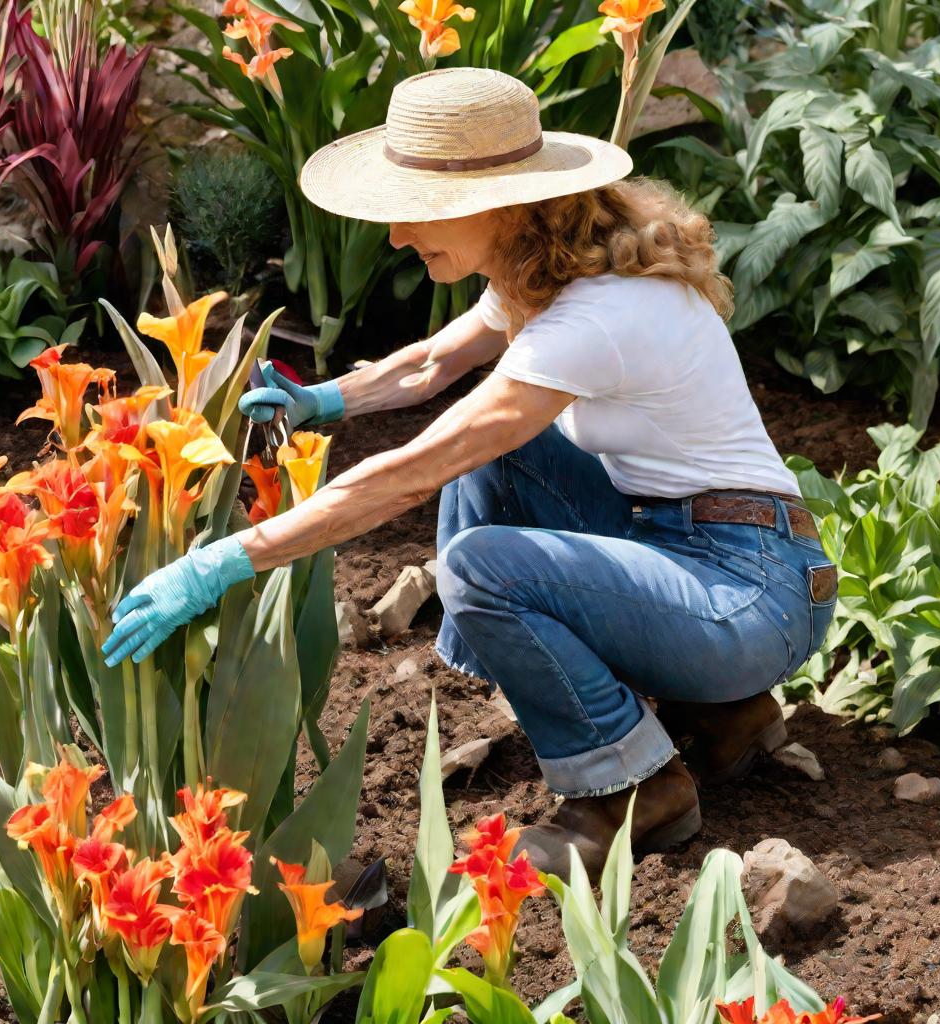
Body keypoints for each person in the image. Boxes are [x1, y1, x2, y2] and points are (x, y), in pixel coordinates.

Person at [103, 67, 838, 878]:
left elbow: (414, 474)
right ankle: (719, 711)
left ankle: (631, 790)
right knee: (501, 464)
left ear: (496, 201)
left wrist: (227, 558)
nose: (394, 236)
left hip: (748, 595)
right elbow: (429, 367)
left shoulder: (596, 314)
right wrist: (322, 400)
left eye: (411, 209)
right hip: (718, 554)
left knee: (480, 564)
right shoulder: (553, 264)